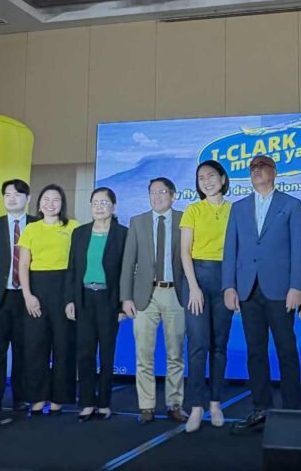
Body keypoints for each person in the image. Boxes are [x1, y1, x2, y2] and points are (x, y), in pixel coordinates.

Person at [223, 155, 301, 432]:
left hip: (281, 289)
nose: (257, 171)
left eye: (262, 166)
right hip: (248, 290)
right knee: (255, 352)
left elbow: (299, 250)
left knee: (286, 350)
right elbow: (230, 250)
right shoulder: (238, 208)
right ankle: (261, 409)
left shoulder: (291, 205)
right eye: (253, 168)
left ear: (275, 171)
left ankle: (292, 411)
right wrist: (229, 286)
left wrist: (296, 287)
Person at [120, 178, 188, 424]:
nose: (157, 196)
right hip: (143, 296)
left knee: (175, 354)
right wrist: (125, 297)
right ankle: (146, 406)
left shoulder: (185, 220)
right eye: (153, 192)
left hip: (176, 293)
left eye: (162, 192)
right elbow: (128, 262)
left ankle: (175, 404)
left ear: (173, 195)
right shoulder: (137, 222)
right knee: (144, 355)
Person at [0, 179, 38, 414]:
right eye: (7, 194)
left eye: (17, 194)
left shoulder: (38, 225)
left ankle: (21, 398)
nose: (12, 198)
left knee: (24, 350)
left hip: (27, 298)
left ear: (28, 198)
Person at [65, 187, 128, 422]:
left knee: (107, 353)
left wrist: (122, 305)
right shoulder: (80, 233)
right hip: (84, 298)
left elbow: (126, 272)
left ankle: (104, 403)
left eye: (104, 202)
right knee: (85, 353)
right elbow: (72, 268)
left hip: (109, 300)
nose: (99, 207)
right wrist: (70, 299)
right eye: (95, 203)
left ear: (114, 206)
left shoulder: (123, 234)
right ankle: (87, 403)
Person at [180, 161, 234, 432]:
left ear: (223, 179)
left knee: (219, 346)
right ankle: (196, 406)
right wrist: (193, 286)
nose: (206, 181)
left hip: (225, 279)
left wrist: (232, 286)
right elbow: (184, 252)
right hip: (197, 279)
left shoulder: (235, 210)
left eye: (211, 176)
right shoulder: (192, 210)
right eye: (201, 178)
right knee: (197, 345)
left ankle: (215, 403)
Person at [18, 184, 79, 415]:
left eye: (56, 200)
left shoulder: (73, 227)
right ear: (39, 203)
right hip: (37, 288)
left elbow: (78, 264)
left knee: (64, 345)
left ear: (62, 204)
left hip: (65, 289)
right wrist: (27, 295)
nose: (50, 204)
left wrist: (72, 297)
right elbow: (23, 264)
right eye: (46, 199)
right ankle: (37, 397)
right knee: (35, 346)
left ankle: (59, 398)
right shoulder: (31, 228)